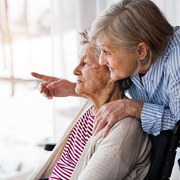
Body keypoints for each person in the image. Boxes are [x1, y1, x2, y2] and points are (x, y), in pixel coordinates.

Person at [33, 0, 179, 179]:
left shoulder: (176, 64)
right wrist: (76, 88)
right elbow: (109, 87)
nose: (102, 61)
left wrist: (135, 108)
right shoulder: (133, 63)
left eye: (107, 52)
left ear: (141, 51)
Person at [29, 32, 151, 180]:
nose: (75, 71)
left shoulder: (125, 129)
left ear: (111, 72)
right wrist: (71, 88)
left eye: (85, 63)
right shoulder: (91, 107)